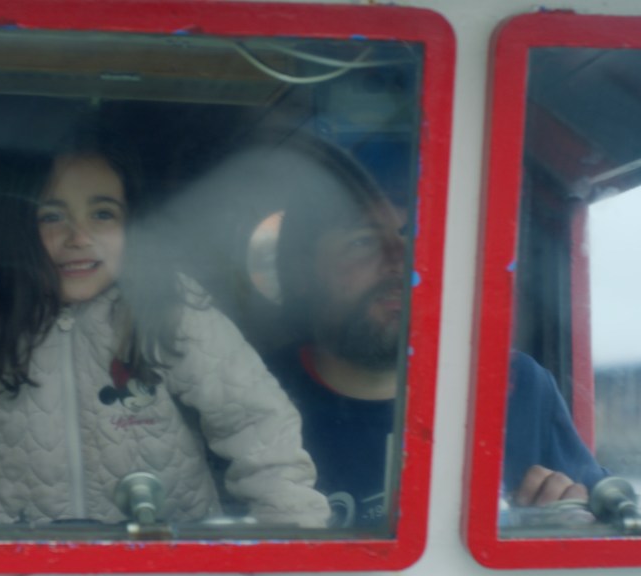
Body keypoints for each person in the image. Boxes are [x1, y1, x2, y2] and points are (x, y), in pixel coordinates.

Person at [0, 139, 329, 528]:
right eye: (52, 216)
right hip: (11, 561)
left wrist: (289, 536)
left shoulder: (169, 306)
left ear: (132, 227)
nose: (78, 237)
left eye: (103, 214)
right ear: (19, 226)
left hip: (162, 556)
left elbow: (254, 421)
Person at [245, 137, 606, 529]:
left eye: (415, 237)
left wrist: (565, 511)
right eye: (363, 241)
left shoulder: (519, 385)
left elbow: (601, 523)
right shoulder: (248, 396)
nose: (402, 262)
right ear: (302, 273)